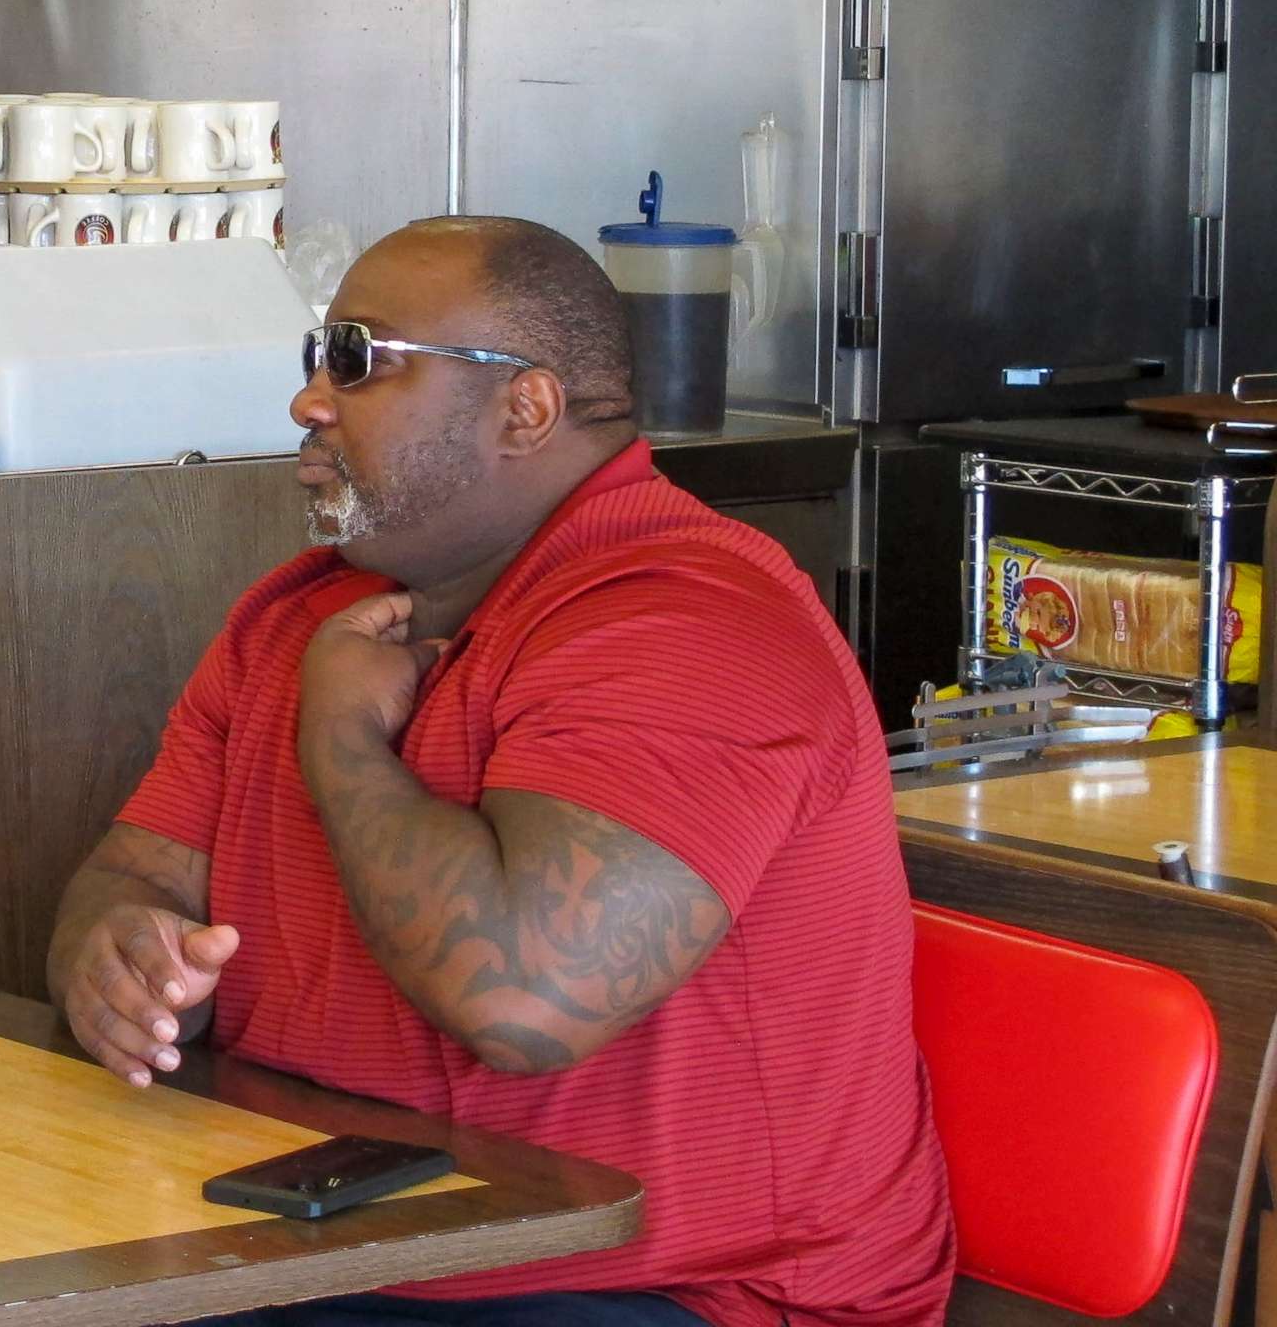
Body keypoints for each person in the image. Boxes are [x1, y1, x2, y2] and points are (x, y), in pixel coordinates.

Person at [49, 217, 952, 1327]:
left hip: (661, 1290)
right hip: (320, 1243)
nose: (309, 403)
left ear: (524, 407)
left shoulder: (692, 623)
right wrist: (113, 960)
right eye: (313, 360)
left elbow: (524, 1003)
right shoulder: (298, 616)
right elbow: (135, 872)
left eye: (357, 362)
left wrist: (342, 745)